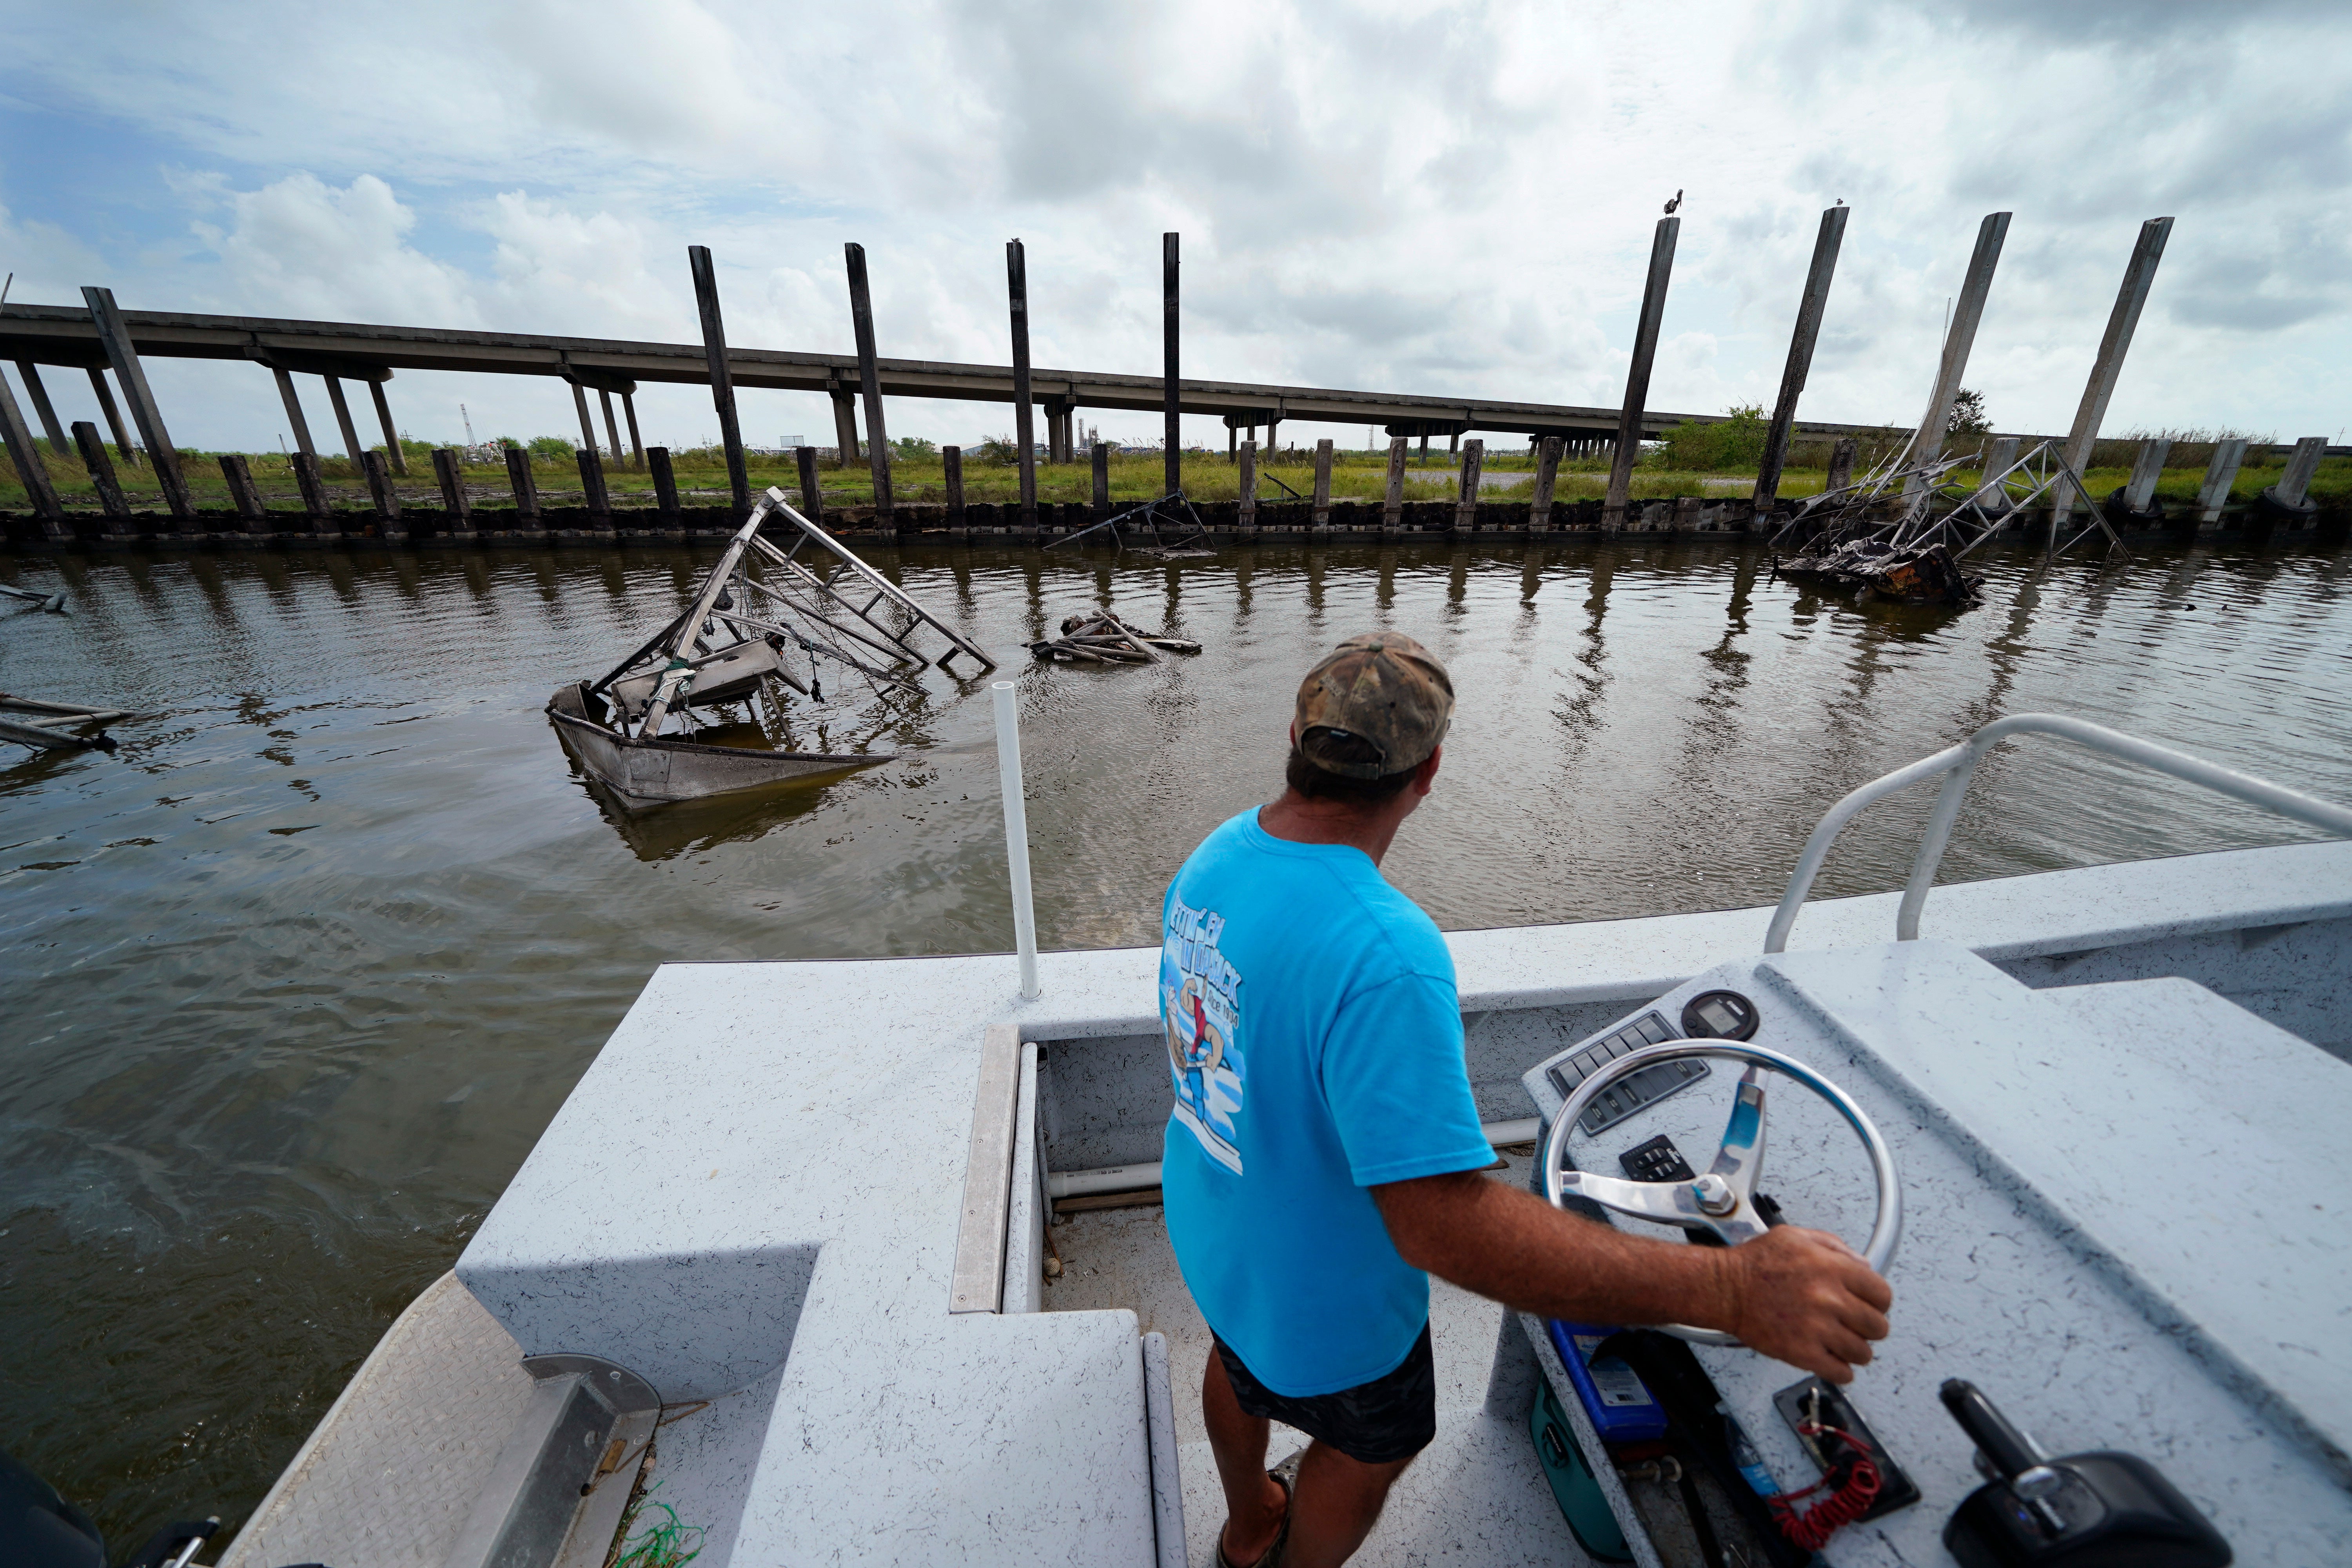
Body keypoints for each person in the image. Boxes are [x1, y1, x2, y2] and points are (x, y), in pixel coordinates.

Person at [1157, 632, 1894, 1568]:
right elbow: (1441, 1226)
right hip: (1323, 1304)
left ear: (1295, 736)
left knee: (1240, 1365)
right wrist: (1733, 1287)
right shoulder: (1386, 953)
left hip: (1216, 1231)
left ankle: (1248, 1526)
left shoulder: (1217, 854)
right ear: (1427, 773)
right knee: (1373, 1441)